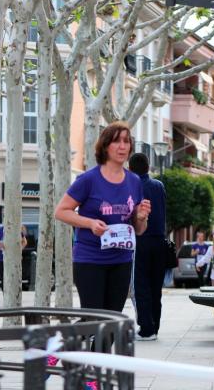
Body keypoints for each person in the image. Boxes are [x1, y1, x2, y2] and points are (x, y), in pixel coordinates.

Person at [54, 121, 151, 314]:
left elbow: (139, 230)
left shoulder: (134, 181)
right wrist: (89, 223)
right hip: (90, 260)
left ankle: (91, 344)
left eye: (126, 141)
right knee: (94, 321)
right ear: (105, 146)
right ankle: (81, 342)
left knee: (112, 321)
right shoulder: (88, 179)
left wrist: (141, 217)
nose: (122, 146)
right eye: (116, 141)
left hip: (122, 260)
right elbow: (61, 211)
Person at [129, 152, 167, 341]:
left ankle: (146, 329)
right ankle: (155, 326)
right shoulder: (159, 186)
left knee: (141, 285)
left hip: (140, 239)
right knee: (155, 286)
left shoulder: (130, 187)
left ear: (130, 168)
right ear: (148, 166)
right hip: (160, 241)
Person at [0, 224, 27, 290]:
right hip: (2, 259)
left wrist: (19, 250)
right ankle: (5, 295)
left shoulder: (16, 229)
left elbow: (24, 242)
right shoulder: (0, 230)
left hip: (14, 259)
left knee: (13, 278)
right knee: (3, 279)